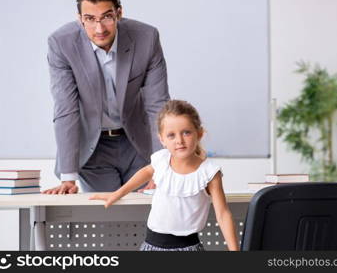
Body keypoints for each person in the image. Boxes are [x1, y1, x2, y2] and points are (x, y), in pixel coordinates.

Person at [43, 0, 169, 194]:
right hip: (94, 148)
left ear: (119, 13)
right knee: (107, 215)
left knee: (145, 212)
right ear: (79, 19)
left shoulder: (146, 38)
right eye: (90, 19)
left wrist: (162, 166)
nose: (99, 28)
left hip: (137, 142)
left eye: (107, 17)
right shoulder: (61, 44)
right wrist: (68, 177)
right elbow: (66, 109)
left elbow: (158, 106)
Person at [89, 100, 239, 251]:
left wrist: (235, 251)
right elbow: (146, 172)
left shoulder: (209, 173)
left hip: (189, 248)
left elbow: (223, 214)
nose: (179, 140)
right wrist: (117, 193)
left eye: (186, 132)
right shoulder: (161, 159)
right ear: (162, 139)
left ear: (199, 134)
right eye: (171, 135)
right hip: (152, 247)